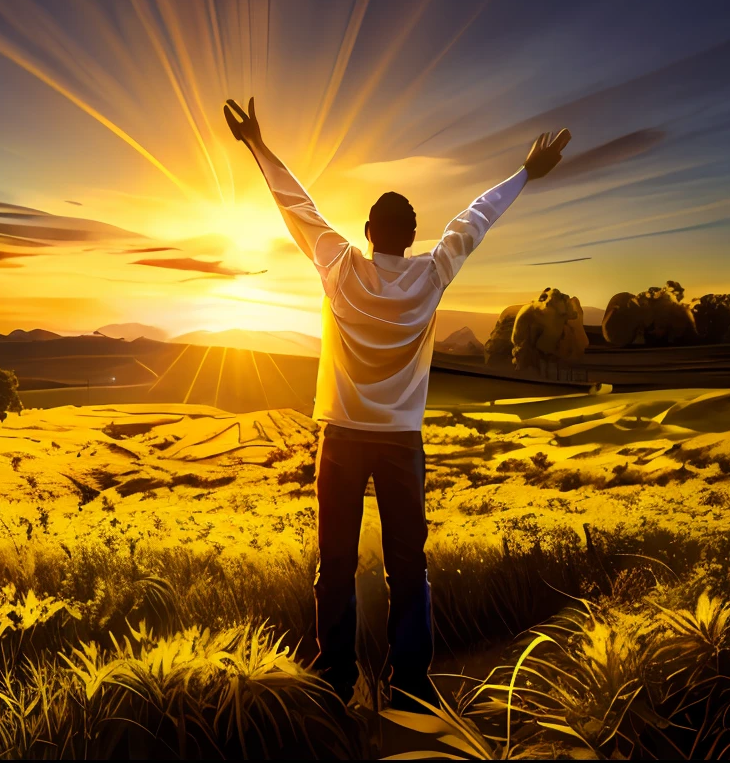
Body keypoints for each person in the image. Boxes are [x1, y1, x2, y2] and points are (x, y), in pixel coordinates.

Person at [224, 97, 569, 711]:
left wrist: (257, 143)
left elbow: (296, 206)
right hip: (401, 442)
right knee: (409, 565)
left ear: (366, 234)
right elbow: (475, 218)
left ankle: (335, 678)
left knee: (335, 564)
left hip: (342, 437)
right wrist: (525, 173)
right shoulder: (432, 276)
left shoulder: (339, 268)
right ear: (412, 237)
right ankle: (412, 685)